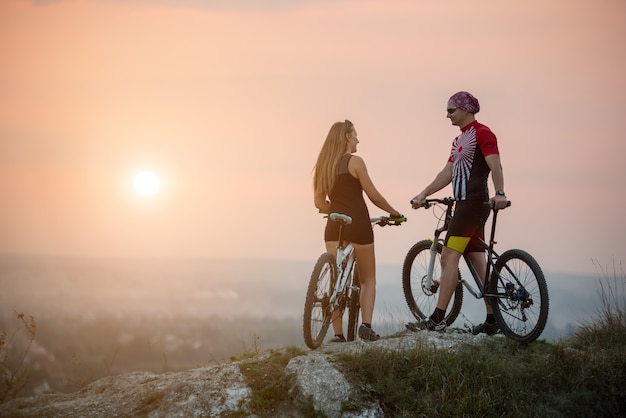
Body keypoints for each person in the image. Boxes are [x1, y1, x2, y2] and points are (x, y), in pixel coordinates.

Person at [406, 91, 508, 335]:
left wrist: (501, 192)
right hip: (466, 204)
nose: (447, 114)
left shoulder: (482, 133)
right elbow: (447, 173)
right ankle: (493, 319)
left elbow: (495, 163)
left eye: (451, 110)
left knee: (447, 257)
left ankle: (438, 318)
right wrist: (423, 194)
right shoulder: (459, 140)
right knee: (477, 261)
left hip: (472, 204)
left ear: (465, 109)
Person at [313, 120, 403, 342]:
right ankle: (366, 325)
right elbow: (373, 195)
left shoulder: (323, 165)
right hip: (359, 223)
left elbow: (319, 203)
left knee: (335, 279)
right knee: (368, 279)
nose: (358, 140)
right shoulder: (355, 162)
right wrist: (394, 212)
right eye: (355, 136)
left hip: (334, 224)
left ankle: (338, 335)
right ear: (346, 137)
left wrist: (334, 208)